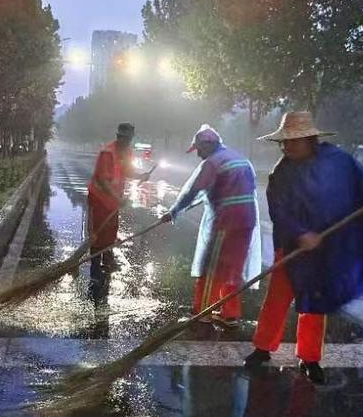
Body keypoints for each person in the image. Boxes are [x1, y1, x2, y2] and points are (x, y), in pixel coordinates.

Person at [244, 111, 363, 384]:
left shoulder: (335, 161)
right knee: (277, 299)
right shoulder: (281, 173)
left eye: (293, 141)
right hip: (290, 247)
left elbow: (360, 180)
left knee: (314, 304)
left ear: (310, 139)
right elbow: (278, 210)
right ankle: (263, 347)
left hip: (321, 250)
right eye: (284, 142)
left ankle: (309, 357)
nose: (286, 147)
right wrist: (301, 234)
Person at [161, 124, 261, 328]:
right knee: (233, 268)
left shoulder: (213, 163)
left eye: (198, 149)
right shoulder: (240, 158)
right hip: (247, 221)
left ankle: (202, 312)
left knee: (212, 267)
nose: (197, 154)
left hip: (227, 221)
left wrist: (174, 211)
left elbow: (194, 192)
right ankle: (230, 314)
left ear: (208, 145)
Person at [87, 122, 149, 270]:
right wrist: (118, 199)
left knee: (111, 229)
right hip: (99, 198)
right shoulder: (107, 153)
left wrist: (140, 176)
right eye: (124, 138)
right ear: (118, 137)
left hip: (113, 200)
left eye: (129, 139)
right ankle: (95, 265)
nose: (127, 142)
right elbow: (103, 181)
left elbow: (127, 170)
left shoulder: (127, 151)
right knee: (98, 232)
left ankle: (108, 259)